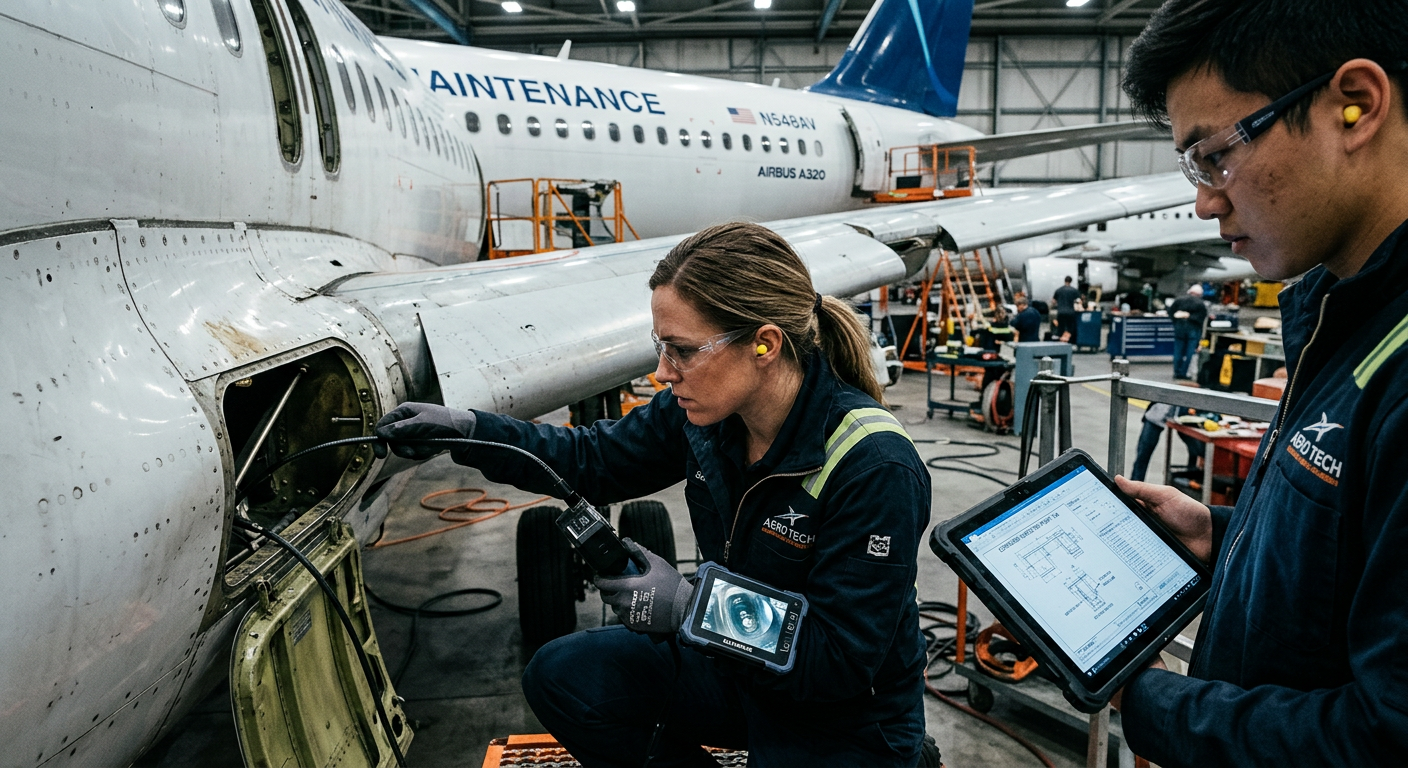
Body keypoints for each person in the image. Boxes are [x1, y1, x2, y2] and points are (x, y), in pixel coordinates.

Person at [376, 222, 931, 767]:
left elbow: (834, 659)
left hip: (845, 717)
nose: (664, 373)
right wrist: (472, 431)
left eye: (682, 350)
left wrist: (694, 606)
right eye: (660, 346)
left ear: (764, 344)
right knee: (564, 677)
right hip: (742, 671)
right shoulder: (708, 414)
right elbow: (592, 458)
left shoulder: (873, 465)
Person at [1110, 1, 1408, 764]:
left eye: (1215, 155)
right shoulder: (1344, 311)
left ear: (1357, 105)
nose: (1206, 199)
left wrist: (1146, 699)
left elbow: (1385, 737)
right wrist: (1227, 536)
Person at [1128, 402, 1206, 483]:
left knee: (1196, 449)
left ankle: (1191, 480)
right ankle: (1135, 484)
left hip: (1184, 412)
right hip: (1158, 412)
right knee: (1143, 454)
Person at [1169, 284, 1208, 379]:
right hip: (1193, 329)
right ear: (1199, 294)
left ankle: (1176, 372)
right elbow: (1202, 318)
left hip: (1179, 328)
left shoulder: (1179, 300)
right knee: (1189, 353)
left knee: (1178, 351)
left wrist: (1176, 322)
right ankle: (1184, 373)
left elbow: (1171, 312)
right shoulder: (1200, 303)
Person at [1051, 276, 1081, 341]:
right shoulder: (1074, 290)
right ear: (1071, 281)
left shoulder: (1058, 290)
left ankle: (1060, 342)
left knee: (1060, 327)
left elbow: (1053, 301)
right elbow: (1078, 301)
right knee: (1070, 328)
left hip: (1061, 312)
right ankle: (1069, 341)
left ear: (1064, 281)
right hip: (1070, 312)